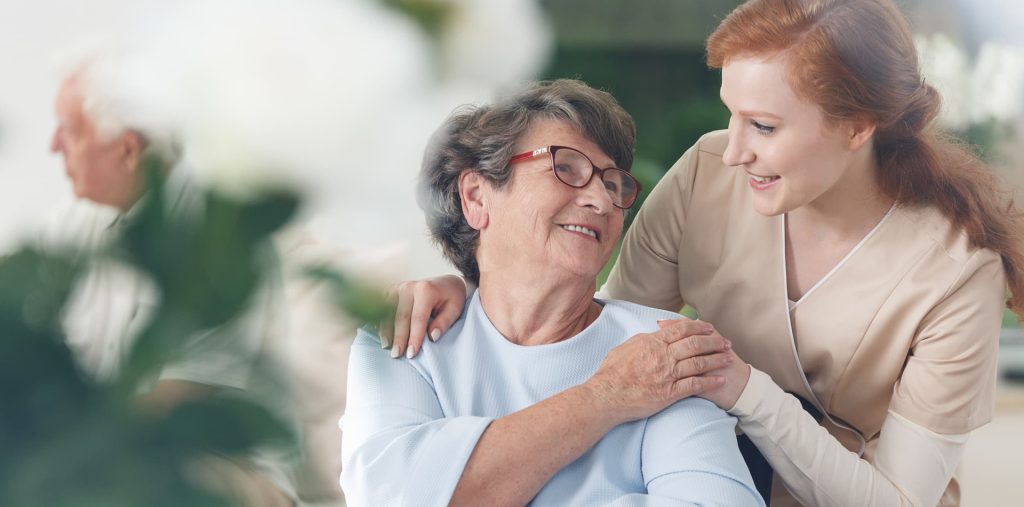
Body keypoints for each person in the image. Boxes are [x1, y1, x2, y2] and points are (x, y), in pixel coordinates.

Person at [383, 1, 1024, 506]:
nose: (734, 147)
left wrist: (746, 389)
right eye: (731, 115)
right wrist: (478, 283)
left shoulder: (957, 274)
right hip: (696, 464)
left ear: (858, 128)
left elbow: (899, 501)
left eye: (765, 126)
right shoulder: (708, 173)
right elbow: (604, 338)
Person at [340, 79, 765, 506]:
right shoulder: (404, 333)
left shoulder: (665, 349)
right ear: (476, 197)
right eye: (567, 168)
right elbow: (389, 496)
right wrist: (607, 395)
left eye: (614, 183)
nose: (601, 200)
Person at [49, 56, 300, 507]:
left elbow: (183, 401)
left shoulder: (214, 229)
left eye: (70, 130)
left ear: (126, 150)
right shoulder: (84, 227)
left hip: (221, 468)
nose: (54, 146)